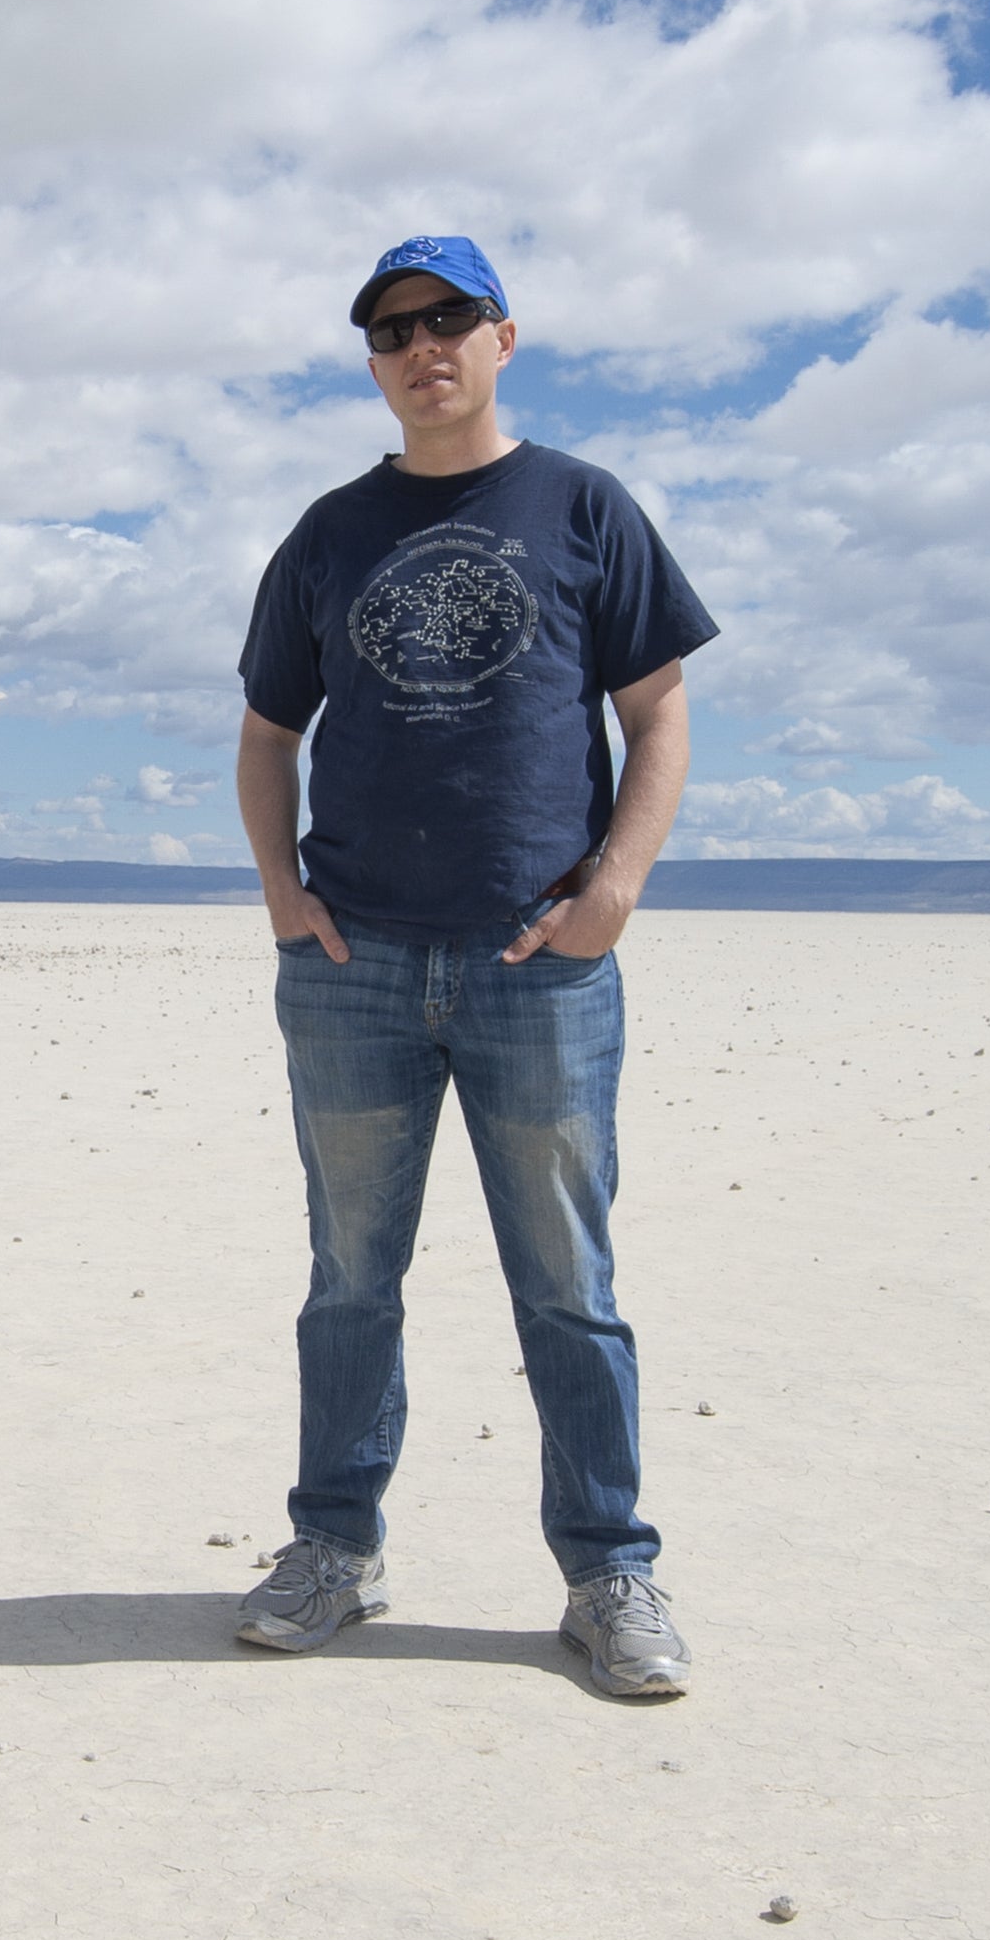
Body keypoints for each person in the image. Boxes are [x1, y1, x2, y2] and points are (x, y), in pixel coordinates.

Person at [232, 234, 716, 1692]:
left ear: (506, 338)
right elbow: (268, 735)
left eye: (447, 320)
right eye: (391, 329)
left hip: (535, 964)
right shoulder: (327, 531)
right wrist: (279, 893)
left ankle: (608, 1574)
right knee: (348, 1281)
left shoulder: (583, 506)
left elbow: (659, 708)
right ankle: (335, 1547)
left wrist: (615, 884)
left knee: (567, 1282)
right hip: (353, 961)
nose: (420, 346)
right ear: (372, 362)